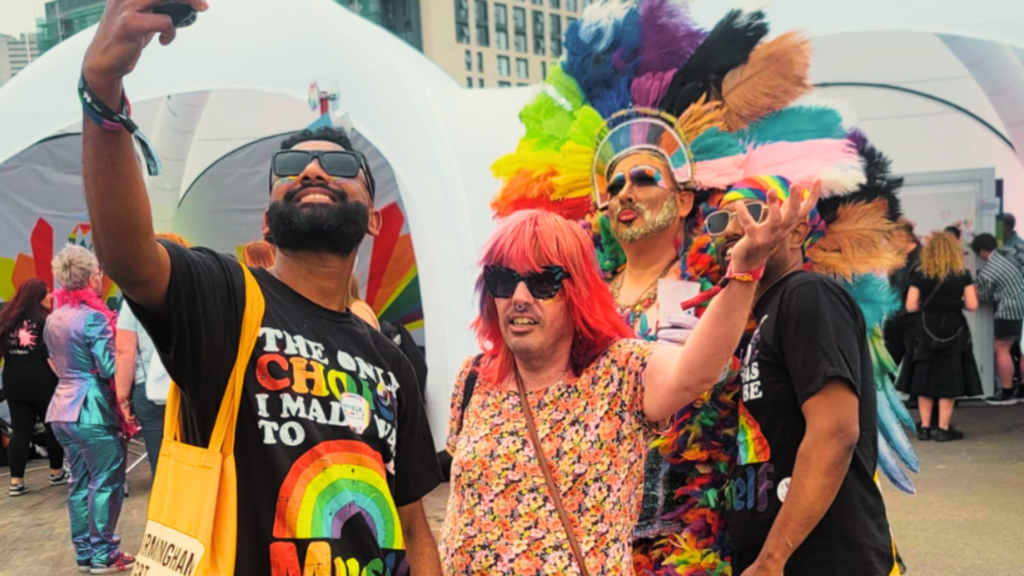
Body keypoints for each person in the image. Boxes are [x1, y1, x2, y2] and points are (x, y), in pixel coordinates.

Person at [485, 4, 916, 572]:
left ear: (685, 199)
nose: (625, 193)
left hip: (705, 519)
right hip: (603, 515)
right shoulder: (583, 294)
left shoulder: (731, 283)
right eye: (614, 184)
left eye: (644, 178)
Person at [80, 2, 444, 572]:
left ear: (374, 216)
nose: (313, 171)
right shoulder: (225, 297)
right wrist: (102, 92)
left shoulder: (391, 363)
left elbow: (415, 526)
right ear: (268, 219)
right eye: (291, 165)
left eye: (340, 165)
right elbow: (130, 256)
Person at [441, 187, 813, 574]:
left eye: (542, 282)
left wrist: (745, 270)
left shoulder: (619, 370)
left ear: (575, 294)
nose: (519, 297)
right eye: (503, 280)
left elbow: (695, 370)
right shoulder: (473, 378)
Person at [710, 178, 899, 576]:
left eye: (750, 212)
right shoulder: (763, 315)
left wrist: (772, 560)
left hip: (823, 559)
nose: (730, 228)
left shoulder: (808, 294)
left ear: (797, 231)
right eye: (720, 219)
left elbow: (835, 432)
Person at [45, 245, 134, 573]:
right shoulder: (94, 317)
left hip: (61, 410)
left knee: (80, 483)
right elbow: (110, 368)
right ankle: (105, 554)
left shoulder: (54, 318)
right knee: (106, 482)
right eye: (98, 271)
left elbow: (56, 361)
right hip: (92, 409)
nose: (101, 276)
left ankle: (84, 552)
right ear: (89, 277)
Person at [114, 233, 191, 475]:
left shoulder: (134, 300)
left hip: (152, 392)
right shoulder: (199, 294)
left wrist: (123, 397)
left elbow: (124, 350)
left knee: (163, 468)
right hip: (196, 388)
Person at [897, 232, 981, 441]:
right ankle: (943, 429)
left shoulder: (919, 274)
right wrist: (954, 303)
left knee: (924, 378)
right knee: (949, 380)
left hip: (925, 332)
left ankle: (925, 427)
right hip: (954, 332)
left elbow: (910, 306)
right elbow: (972, 305)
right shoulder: (962, 274)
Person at [0, 278, 67, 496]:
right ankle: (56, 472)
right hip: (43, 383)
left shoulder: (7, 320)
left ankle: (16, 482)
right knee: (53, 427)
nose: (51, 296)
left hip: (14, 383)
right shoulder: (44, 321)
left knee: (20, 431)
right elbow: (52, 356)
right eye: (46, 293)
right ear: (37, 297)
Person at [970, 233, 1024, 404]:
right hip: (1021, 307)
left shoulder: (988, 271)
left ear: (982, 251)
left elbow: (984, 296)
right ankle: (1022, 389)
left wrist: (973, 289)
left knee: (1001, 349)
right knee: (1022, 350)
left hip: (1008, 311)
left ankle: (1006, 390)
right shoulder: (1006, 260)